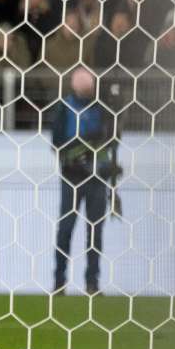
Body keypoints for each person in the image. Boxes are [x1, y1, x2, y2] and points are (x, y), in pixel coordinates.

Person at [49, 66, 120, 296]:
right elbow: (56, 142)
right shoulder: (65, 107)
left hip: (96, 178)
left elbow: (112, 139)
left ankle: (92, 283)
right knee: (66, 229)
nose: (87, 91)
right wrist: (72, 158)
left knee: (95, 231)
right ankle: (59, 282)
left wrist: (107, 165)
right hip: (72, 177)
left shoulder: (102, 108)